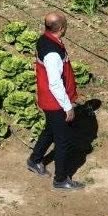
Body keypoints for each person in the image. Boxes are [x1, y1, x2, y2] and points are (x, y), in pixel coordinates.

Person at [28, 12, 84, 191]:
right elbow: (55, 82)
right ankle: (60, 179)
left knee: (50, 130)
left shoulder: (44, 39)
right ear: (60, 28)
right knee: (63, 140)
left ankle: (35, 160)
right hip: (55, 101)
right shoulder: (52, 52)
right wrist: (67, 106)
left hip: (47, 98)